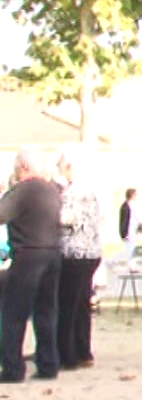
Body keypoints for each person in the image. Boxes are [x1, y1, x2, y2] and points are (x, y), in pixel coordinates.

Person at [0, 150, 64, 382]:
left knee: (14, 313)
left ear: (23, 168)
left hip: (29, 255)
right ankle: (49, 365)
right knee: (46, 312)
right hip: (52, 253)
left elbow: (2, 214)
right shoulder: (52, 190)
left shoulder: (22, 191)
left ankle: (13, 369)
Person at [55, 150, 102, 371]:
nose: (59, 168)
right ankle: (83, 351)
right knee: (82, 303)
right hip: (91, 252)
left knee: (68, 304)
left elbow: (65, 219)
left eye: (62, 165)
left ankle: (68, 354)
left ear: (71, 167)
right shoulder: (92, 189)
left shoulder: (72, 192)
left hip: (74, 253)